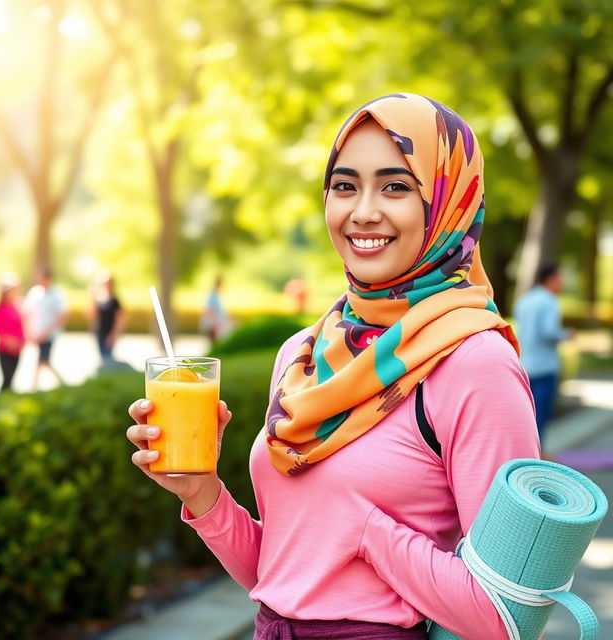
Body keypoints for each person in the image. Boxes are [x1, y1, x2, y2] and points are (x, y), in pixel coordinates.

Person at [127, 94, 539, 640]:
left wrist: (366, 529)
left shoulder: (473, 362)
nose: (362, 210)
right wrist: (201, 492)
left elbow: (504, 618)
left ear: (446, 203)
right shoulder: (304, 354)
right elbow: (285, 577)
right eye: (345, 186)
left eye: (396, 186)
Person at [514, 263, 571, 446]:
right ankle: (538, 453)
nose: (562, 282)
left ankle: (526, 451)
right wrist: (566, 335)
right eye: (560, 278)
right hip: (545, 365)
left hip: (525, 364)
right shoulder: (549, 300)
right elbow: (549, 332)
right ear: (550, 279)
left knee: (527, 414)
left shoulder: (524, 300)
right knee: (542, 414)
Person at [23, 266, 67, 389]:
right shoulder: (34, 292)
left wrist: (47, 332)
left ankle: (35, 385)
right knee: (41, 359)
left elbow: (61, 315)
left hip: (49, 334)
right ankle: (35, 385)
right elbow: (27, 312)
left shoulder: (56, 294)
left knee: (43, 359)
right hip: (36, 333)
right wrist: (29, 331)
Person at [0, 273, 25, 393]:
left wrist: (21, 342)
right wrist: (7, 340)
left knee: (11, 378)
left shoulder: (17, 306)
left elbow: (22, 326)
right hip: (4, 348)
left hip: (17, 349)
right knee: (6, 377)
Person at [89, 270, 126, 363]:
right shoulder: (99, 300)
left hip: (109, 333)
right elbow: (92, 316)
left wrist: (113, 335)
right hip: (99, 333)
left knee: (107, 358)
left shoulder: (115, 300)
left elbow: (120, 320)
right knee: (102, 358)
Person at [200, 275, 230, 344]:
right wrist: (215, 325)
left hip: (217, 325)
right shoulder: (213, 296)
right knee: (215, 344)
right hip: (213, 326)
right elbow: (210, 311)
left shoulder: (217, 295)